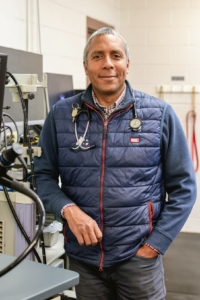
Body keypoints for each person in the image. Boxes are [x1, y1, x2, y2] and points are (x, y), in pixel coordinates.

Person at [33, 27, 197, 300]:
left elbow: (184, 188)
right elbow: (43, 176)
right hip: (83, 260)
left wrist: (156, 245)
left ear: (127, 64)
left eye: (115, 55)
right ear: (86, 66)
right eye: (98, 56)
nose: (107, 63)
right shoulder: (61, 115)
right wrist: (69, 210)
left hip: (139, 260)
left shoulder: (159, 115)